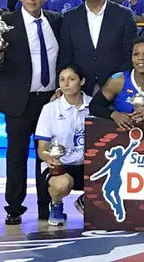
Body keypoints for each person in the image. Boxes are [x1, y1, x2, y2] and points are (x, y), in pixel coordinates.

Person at [0, 0, 61, 224]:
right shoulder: (6, 23)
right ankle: (14, 207)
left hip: (50, 102)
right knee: (17, 156)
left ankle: (47, 206)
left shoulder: (56, 20)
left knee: (49, 156)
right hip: (19, 101)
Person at [58, 0, 137, 96]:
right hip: (79, 90)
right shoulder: (70, 18)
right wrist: (61, 86)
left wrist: (115, 82)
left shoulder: (124, 15)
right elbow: (65, 55)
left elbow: (130, 54)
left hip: (116, 90)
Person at [34, 63, 88, 226]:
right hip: (60, 166)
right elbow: (42, 149)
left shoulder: (94, 106)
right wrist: (50, 159)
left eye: (71, 79)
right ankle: (56, 204)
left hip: (87, 165)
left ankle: (85, 201)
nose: (66, 84)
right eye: (62, 80)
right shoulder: (49, 109)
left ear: (82, 81)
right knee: (62, 184)